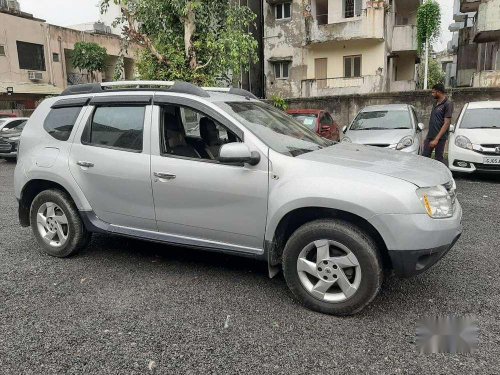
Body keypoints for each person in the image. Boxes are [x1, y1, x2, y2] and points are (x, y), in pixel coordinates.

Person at [422, 84, 454, 164]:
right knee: (424, 158)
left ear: (439, 92)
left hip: (440, 138)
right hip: (430, 136)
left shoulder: (448, 104)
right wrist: (428, 137)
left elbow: (447, 123)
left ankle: (438, 176)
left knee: (438, 160)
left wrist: (436, 139)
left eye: (433, 92)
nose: (432, 94)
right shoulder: (435, 103)